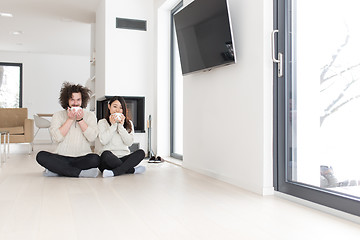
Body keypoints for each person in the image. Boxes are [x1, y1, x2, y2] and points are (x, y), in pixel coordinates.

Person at [36, 82, 100, 178]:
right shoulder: (58, 115)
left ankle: (58, 170)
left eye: (78, 100)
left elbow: (92, 137)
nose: (75, 103)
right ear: (67, 100)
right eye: (72, 100)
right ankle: (79, 173)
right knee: (40, 156)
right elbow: (57, 138)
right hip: (62, 157)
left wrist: (80, 120)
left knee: (95, 159)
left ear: (82, 101)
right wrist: (70, 119)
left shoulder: (90, 116)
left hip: (82, 157)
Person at [98, 96, 145, 178]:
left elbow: (129, 143)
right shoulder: (102, 122)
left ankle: (114, 172)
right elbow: (103, 141)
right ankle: (131, 170)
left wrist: (120, 126)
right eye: (115, 106)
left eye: (121, 108)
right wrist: (113, 126)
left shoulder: (129, 123)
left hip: (123, 157)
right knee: (105, 154)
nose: (117, 110)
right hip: (108, 160)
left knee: (141, 153)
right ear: (109, 107)